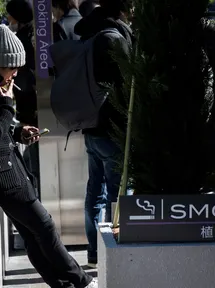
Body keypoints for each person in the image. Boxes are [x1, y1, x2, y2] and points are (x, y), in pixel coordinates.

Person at [0, 25, 97, 288]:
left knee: (34, 234)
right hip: (1, 176)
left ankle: (66, 286)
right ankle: (81, 282)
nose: (15, 74)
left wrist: (17, 132)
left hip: (8, 171)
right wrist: (7, 106)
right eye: (12, 67)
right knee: (44, 227)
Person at [74, 0, 134, 268]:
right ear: (123, 9)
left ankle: (94, 252)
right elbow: (127, 83)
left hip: (91, 125)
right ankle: (116, 253)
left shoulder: (90, 33)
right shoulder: (113, 37)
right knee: (117, 194)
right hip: (113, 127)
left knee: (94, 192)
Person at [5, 0, 41, 196]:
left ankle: (36, 198)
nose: (8, 18)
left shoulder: (20, 40)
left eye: (10, 15)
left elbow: (26, 79)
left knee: (33, 161)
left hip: (30, 108)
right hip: (34, 106)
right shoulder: (34, 37)